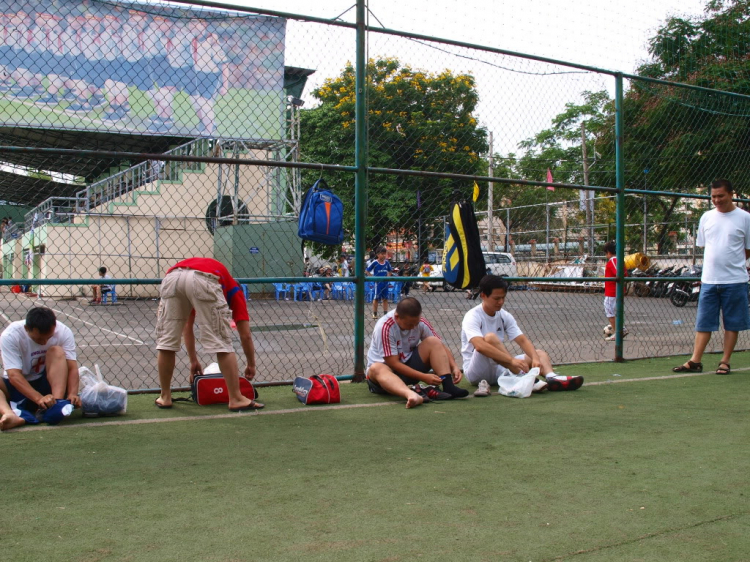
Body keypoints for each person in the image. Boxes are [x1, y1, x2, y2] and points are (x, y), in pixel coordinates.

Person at [155, 257, 263, 411]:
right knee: (221, 342)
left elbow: (187, 325)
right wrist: (251, 364)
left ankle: (165, 396)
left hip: (172, 277)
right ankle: (236, 398)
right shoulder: (235, 290)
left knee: (167, 341)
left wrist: (193, 361)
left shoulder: (211, 271)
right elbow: (245, 334)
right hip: (203, 280)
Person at [673, 179, 750, 375]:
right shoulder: (706, 217)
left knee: (732, 323)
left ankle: (725, 361)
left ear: (731, 194)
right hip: (709, 280)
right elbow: (707, 247)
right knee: (704, 322)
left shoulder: (744, 218)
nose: (716, 200)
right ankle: (695, 361)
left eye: (721, 196)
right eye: (713, 196)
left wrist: (732, 263)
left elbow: (747, 250)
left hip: (735, 280)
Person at [461, 275, 584, 396]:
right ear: (483, 295)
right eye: (496, 298)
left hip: (500, 368)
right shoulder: (472, 316)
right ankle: (522, 376)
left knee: (539, 353)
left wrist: (535, 359)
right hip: (477, 372)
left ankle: (552, 378)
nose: (501, 302)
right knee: (490, 338)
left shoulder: (504, 315)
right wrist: (511, 361)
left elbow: (522, 340)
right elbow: (480, 346)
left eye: (503, 298)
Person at [366, 296, 468, 408]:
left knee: (433, 341)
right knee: (376, 368)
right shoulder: (385, 326)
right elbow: (393, 363)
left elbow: (439, 345)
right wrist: (424, 377)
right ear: (397, 317)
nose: (414, 327)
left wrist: (454, 366)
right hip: (385, 377)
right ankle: (410, 394)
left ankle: (449, 386)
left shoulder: (420, 322)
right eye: (410, 324)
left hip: (408, 370)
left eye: (416, 323)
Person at [0, 307, 81, 422]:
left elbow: (72, 367)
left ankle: (55, 405)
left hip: (46, 384)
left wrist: (73, 393)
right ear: (27, 328)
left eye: (49, 337)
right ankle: (9, 414)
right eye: (38, 339)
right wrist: (39, 399)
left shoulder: (63, 331)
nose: (44, 342)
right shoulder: (10, 335)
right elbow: (13, 376)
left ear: (54, 327)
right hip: (18, 386)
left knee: (56, 351)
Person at [602, 241, 628, 341]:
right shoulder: (619, 260)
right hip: (615, 291)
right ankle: (621, 329)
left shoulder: (613, 260)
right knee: (615, 312)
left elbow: (619, 273)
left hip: (612, 292)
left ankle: (618, 332)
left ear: (609, 252)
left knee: (610, 312)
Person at [366, 246, 393, 318]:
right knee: (376, 298)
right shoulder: (375, 262)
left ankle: (385, 314)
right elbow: (367, 271)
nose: (384, 255)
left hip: (385, 283)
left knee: (385, 298)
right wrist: (372, 278)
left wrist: (388, 277)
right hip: (377, 284)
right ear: (378, 254)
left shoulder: (387, 263)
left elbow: (390, 271)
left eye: (385, 254)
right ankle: (374, 313)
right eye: (382, 254)